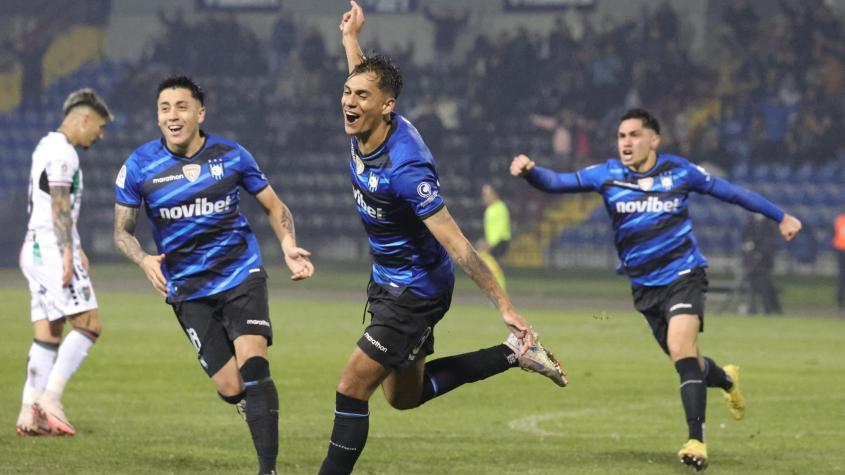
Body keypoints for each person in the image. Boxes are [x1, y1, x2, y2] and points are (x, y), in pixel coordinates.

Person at [318, 3, 566, 474]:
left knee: (352, 387)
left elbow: (458, 245)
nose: (349, 102)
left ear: (386, 107)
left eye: (361, 96)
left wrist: (503, 305)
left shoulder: (407, 167)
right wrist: (352, 40)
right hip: (389, 280)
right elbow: (363, 79)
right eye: (347, 92)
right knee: (404, 397)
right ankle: (515, 355)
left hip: (416, 291)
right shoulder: (366, 114)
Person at [510, 108, 802, 471]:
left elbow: (732, 193)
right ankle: (726, 378)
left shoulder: (679, 171)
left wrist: (781, 217)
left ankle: (696, 440)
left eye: (634, 135)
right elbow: (556, 183)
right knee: (687, 361)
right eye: (621, 136)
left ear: (654, 140)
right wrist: (531, 171)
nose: (626, 143)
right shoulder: (608, 175)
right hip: (645, 288)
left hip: (684, 275)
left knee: (682, 349)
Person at [113, 76, 314, 475]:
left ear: (199, 113)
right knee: (230, 386)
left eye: (182, 106)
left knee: (255, 365)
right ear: (157, 116)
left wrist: (288, 246)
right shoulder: (138, 166)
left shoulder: (232, 156)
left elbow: (275, 206)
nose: (173, 115)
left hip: (240, 273)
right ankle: (247, 402)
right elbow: (121, 231)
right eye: (165, 108)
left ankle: (267, 469)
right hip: (187, 288)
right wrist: (143, 260)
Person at [17, 89, 113, 436]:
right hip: (51, 247)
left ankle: (29, 412)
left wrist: (76, 243)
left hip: (34, 247)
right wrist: (68, 251)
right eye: (99, 127)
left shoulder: (45, 145)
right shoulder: (63, 153)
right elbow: (58, 200)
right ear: (84, 119)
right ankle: (51, 399)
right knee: (89, 324)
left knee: (48, 334)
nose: (99, 135)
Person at [741, 214, 782, 314]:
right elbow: (745, 238)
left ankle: (768, 308)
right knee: (752, 286)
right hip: (751, 261)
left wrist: (760, 253)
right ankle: (752, 308)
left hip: (764, 262)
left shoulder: (769, 224)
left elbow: (770, 242)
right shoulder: (749, 222)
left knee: (765, 286)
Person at [477, 184, 511, 289]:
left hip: (500, 242)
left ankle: (501, 294)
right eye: (484, 194)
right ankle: (497, 292)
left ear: (494, 194)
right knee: (493, 268)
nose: (485, 197)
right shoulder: (490, 209)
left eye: (487, 194)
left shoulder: (500, 207)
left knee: (495, 269)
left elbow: (499, 228)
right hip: (493, 242)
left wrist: (489, 244)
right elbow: (491, 229)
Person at [834, 213, 845, 314]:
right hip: (841, 251)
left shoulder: (840, 219)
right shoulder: (840, 219)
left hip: (840, 250)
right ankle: (840, 303)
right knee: (842, 277)